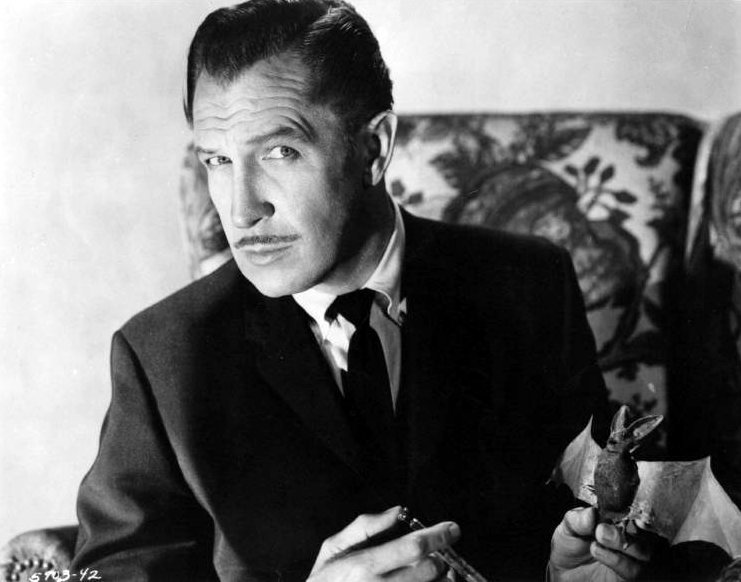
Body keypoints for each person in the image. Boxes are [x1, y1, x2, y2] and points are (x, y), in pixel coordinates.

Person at [71, 1, 657, 580]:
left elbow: (592, 510)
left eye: (280, 152)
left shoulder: (529, 285)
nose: (242, 209)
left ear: (373, 149)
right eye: (217, 159)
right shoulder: (161, 356)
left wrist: (564, 570)